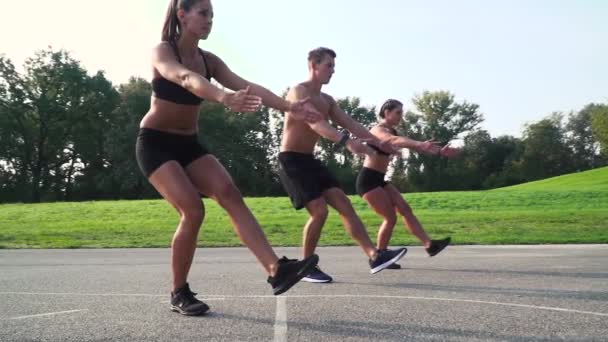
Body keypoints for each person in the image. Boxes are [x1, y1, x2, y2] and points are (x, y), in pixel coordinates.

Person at [136, 0, 322, 316]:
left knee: (230, 194)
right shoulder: (164, 51)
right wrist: (222, 97)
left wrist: (288, 107)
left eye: (212, 15)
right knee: (193, 210)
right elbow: (183, 78)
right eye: (203, 13)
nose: (209, 20)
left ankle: (276, 269)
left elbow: (247, 86)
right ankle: (179, 292)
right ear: (183, 15)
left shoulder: (210, 61)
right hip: (155, 144)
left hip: (189, 144)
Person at [278, 47, 407, 284]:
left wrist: (379, 143)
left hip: (310, 160)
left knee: (344, 204)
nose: (332, 71)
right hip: (292, 161)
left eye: (334, 67)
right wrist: (347, 142)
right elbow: (315, 123)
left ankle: (374, 255)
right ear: (313, 66)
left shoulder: (327, 100)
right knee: (319, 210)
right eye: (328, 66)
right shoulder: (299, 92)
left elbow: (350, 123)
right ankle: (306, 266)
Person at [356, 99, 461, 269]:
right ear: (386, 112)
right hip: (368, 180)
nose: (400, 116)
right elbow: (393, 141)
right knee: (390, 217)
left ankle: (429, 245)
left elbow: (415, 147)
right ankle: (378, 256)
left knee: (405, 209)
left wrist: (440, 151)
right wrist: (419, 143)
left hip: (380, 179)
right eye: (398, 112)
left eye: (401, 113)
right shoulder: (378, 130)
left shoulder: (392, 131)